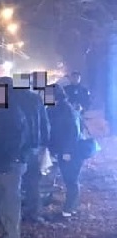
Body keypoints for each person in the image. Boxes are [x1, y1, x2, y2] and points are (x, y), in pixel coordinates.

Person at [0, 77, 30, 238]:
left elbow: (15, 138)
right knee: (3, 198)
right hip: (4, 161)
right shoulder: (4, 108)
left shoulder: (11, 111)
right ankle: (6, 231)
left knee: (11, 200)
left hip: (10, 162)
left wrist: (8, 158)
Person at [14, 85, 51, 223]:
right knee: (33, 181)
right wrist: (44, 143)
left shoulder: (10, 98)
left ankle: (14, 214)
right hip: (33, 146)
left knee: (13, 181)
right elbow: (44, 122)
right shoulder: (35, 99)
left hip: (16, 147)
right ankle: (33, 212)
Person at [48, 85, 83, 217]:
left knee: (71, 179)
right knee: (68, 178)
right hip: (62, 149)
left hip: (71, 151)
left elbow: (73, 131)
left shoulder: (66, 109)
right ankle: (70, 206)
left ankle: (70, 207)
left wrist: (67, 151)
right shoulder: (56, 108)